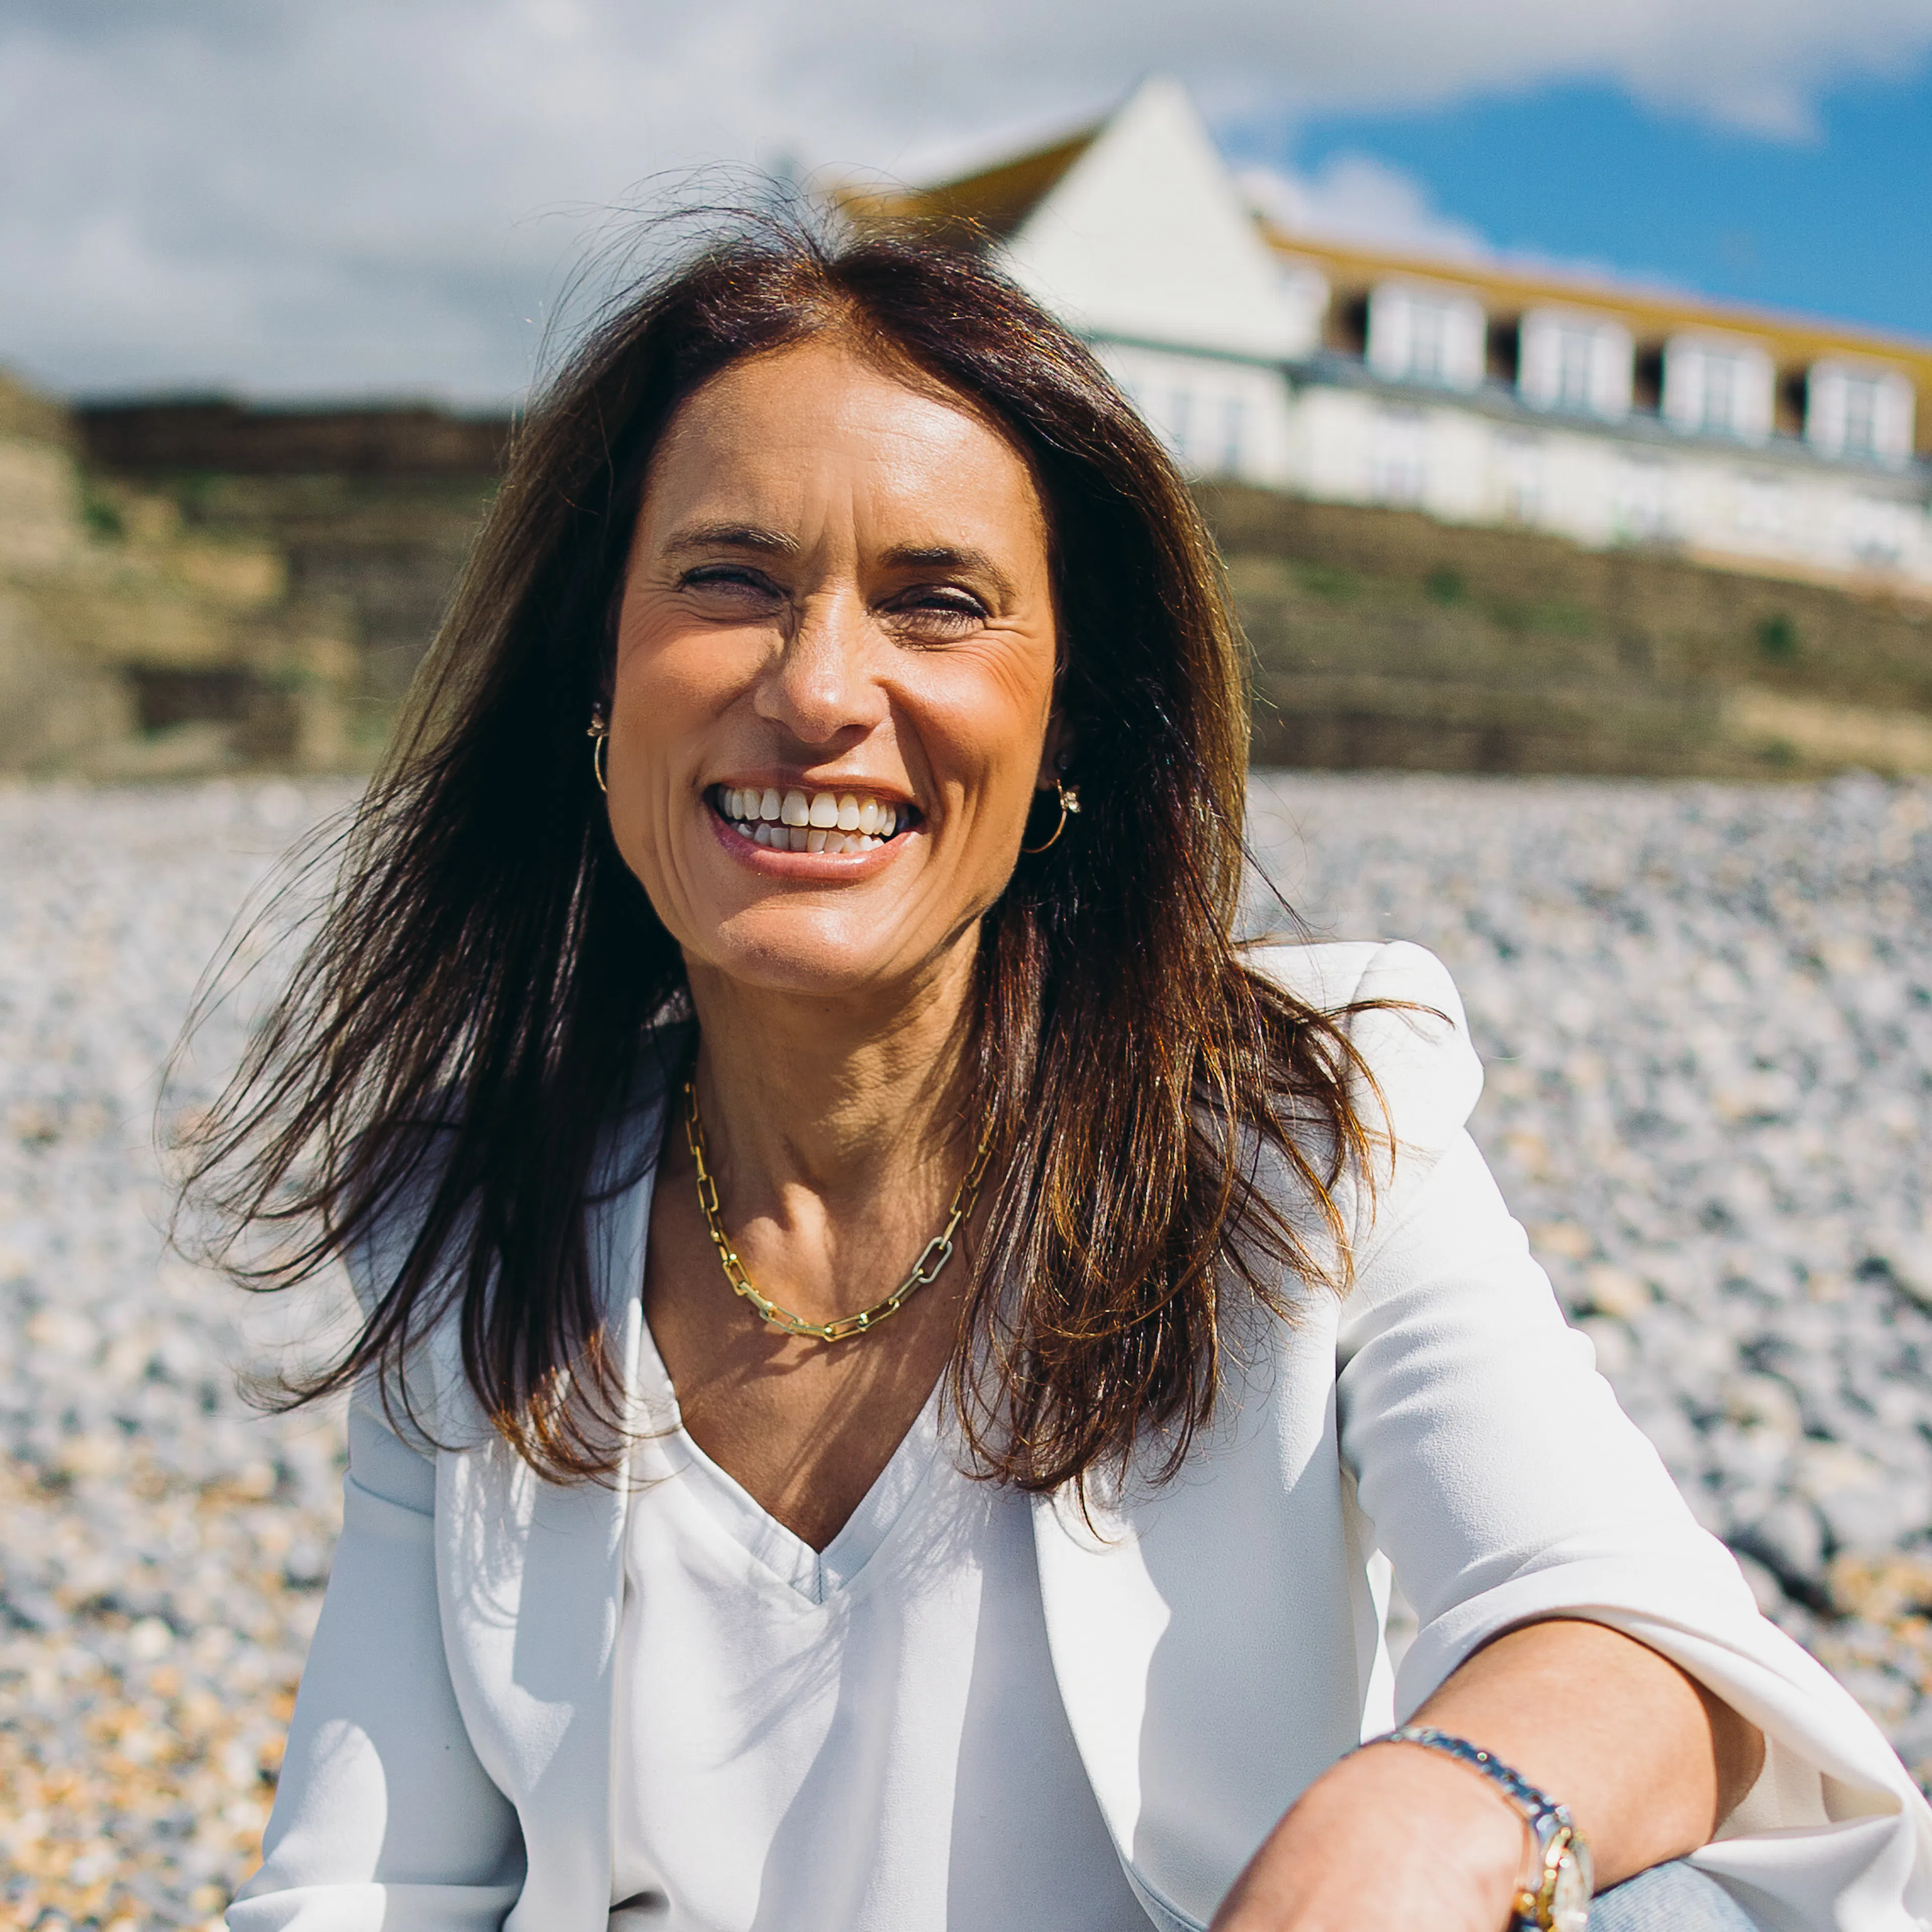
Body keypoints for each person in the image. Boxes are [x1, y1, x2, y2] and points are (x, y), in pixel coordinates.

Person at [191, 217, 1932, 1932]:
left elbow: (1644, 1646)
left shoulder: (1299, 1137)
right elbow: (366, 1887)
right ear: (601, 671)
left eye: (937, 605)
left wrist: (1433, 1817)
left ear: (1069, 731)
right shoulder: (472, 1219)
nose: (818, 691)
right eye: (729, 580)